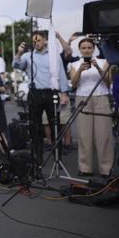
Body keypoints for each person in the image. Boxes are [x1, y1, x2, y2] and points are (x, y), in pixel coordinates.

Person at [13, 30, 69, 170]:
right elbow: (16, 66)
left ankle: (58, 157)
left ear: (45, 40)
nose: (36, 43)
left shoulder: (54, 56)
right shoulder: (28, 55)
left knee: (55, 124)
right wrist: (19, 53)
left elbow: (61, 74)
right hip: (35, 94)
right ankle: (38, 158)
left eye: (38, 40)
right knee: (35, 126)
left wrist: (64, 92)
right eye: (34, 41)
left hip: (51, 93)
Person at [67, 38, 113, 177]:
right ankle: (85, 168)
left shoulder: (104, 62)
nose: (86, 50)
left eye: (89, 47)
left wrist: (98, 68)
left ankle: (106, 169)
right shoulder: (74, 64)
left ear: (94, 49)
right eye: (83, 48)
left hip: (101, 98)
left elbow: (108, 81)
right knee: (84, 135)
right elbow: (74, 85)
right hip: (82, 98)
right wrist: (80, 70)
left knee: (103, 135)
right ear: (80, 50)